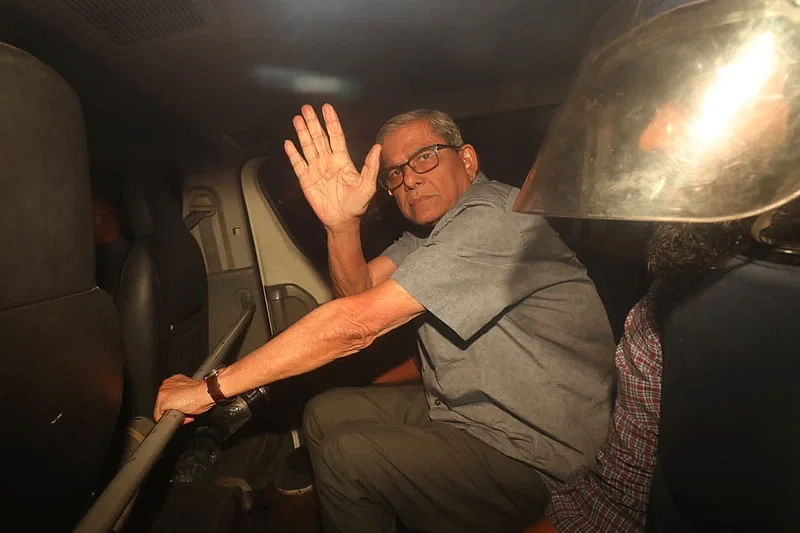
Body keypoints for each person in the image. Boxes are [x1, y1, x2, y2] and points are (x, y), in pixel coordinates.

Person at [154, 103, 616, 532]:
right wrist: (341, 225)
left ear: (468, 160)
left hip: (539, 455)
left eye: (426, 157)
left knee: (346, 458)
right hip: (468, 413)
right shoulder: (429, 236)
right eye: (395, 172)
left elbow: (357, 325)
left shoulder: (497, 218)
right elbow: (356, 293)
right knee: (322, 411)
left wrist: (208, 390)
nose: (408, 179)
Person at [517, 0, 800, 531]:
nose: (652, 138)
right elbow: (617, 499)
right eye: (651, 105)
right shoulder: (663, 313)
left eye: (689, 95)